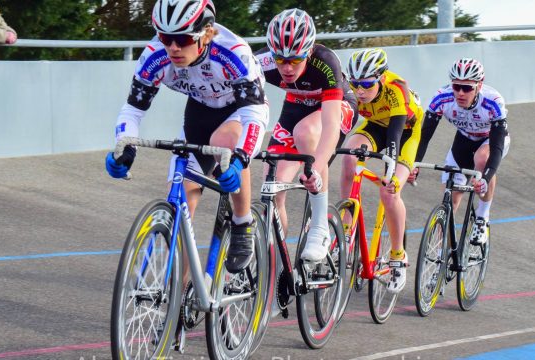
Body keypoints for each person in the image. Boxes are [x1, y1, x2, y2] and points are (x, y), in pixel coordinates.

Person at [105, 0, 269, 274]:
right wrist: (125, 147)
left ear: (206, 33)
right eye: (165, 38)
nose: (173, 48)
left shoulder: (232, 52)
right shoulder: (155, 56)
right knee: (181, 208)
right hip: (199, 111)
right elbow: (133, 110)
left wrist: (241, 158)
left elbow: (255, 115)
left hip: (240, 110)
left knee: (224, 143)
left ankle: (242, 224)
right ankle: (176, 302)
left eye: (182, 38)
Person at [255, 8, 358, 262]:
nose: (287, 68)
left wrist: (316, 168)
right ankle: (274, 264)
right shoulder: (260, 62)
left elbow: (331, 128)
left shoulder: (326, 61)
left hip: (336, 105)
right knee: (274, 186)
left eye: (295, 60)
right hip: (297, 104)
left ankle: (320, 226)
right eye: (281, 60)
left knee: (307, 132)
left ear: (309, 51)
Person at [340, 48, 424, 293]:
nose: (360, 91)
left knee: (389, 191)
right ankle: (346, 224)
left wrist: (391, 169)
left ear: (381, 77)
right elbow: (341, 128)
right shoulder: (354, 91)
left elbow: (396, 133)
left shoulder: (396, 89)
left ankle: (398, 255)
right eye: (355, 84)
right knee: (348, 156)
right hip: (375, 125)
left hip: (406, 132)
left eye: (367, 84)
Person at [413, 57, 510, 246]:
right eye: (456, 86)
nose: (460, 93)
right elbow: (424, 136)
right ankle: (441, 257)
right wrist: (414, 165)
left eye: (466, 88)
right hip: (464, 139)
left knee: (481, 159)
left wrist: (486, 178)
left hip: (490, 140)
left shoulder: (493, 101)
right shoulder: (442, 97)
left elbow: (497, 146)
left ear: (479, 86)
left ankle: (482, 217)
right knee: (450, 200)